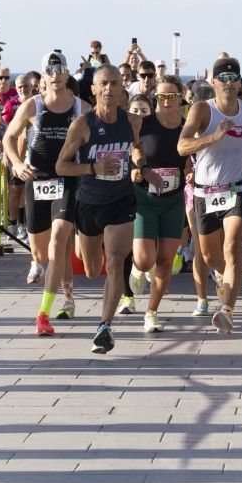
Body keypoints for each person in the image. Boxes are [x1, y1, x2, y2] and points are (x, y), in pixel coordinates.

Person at [55, 66, 140, 354]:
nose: (109, 89)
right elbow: (61, 166)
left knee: (115, 262)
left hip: (121, 200)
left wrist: (142, 167)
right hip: (89, 203)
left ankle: (104, 326)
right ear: (93, 89)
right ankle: (96, 256)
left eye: (114, 83)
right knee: (92, 270)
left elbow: (137, 148)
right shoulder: (82, 125)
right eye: (103, 83)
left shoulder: (132, 121)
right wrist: (93, 167)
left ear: (122, 88)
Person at [178, 56, 242, 334]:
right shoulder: (202, 109)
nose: (229, 83)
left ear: (240, 83)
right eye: (223, 78)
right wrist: (212, 138)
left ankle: (227, 310)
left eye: (233, 78)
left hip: (238, 188)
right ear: (213, 82)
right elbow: (182, 146)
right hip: (205, 191)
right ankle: (223, 275)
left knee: (233, 248)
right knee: (210, 256)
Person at [3, 54, 84, 335]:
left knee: (58, 244)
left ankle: (56, 306)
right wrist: (17, 164)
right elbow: (8, 137)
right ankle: (41, 267)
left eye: (60, 69)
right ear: (43, 77)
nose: (56, 74)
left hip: (67, 180)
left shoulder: (80, 107)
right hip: (36, 181)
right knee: (41, 251)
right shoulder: (32, 105)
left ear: (67, 74)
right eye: (50, 70)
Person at [129, 75, 187, 334]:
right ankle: (137, 268)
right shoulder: (145, 124)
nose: (166, 101)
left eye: (171, 96)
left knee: (165, 260)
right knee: (144, 261)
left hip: (173, 199)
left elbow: (191, 156)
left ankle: (151, 312)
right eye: (161, 96)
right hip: (145, 198)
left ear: (180, 97)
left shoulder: (187, 126)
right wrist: (142, 168)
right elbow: (135, 148)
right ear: (155, 98)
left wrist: (190, 171)